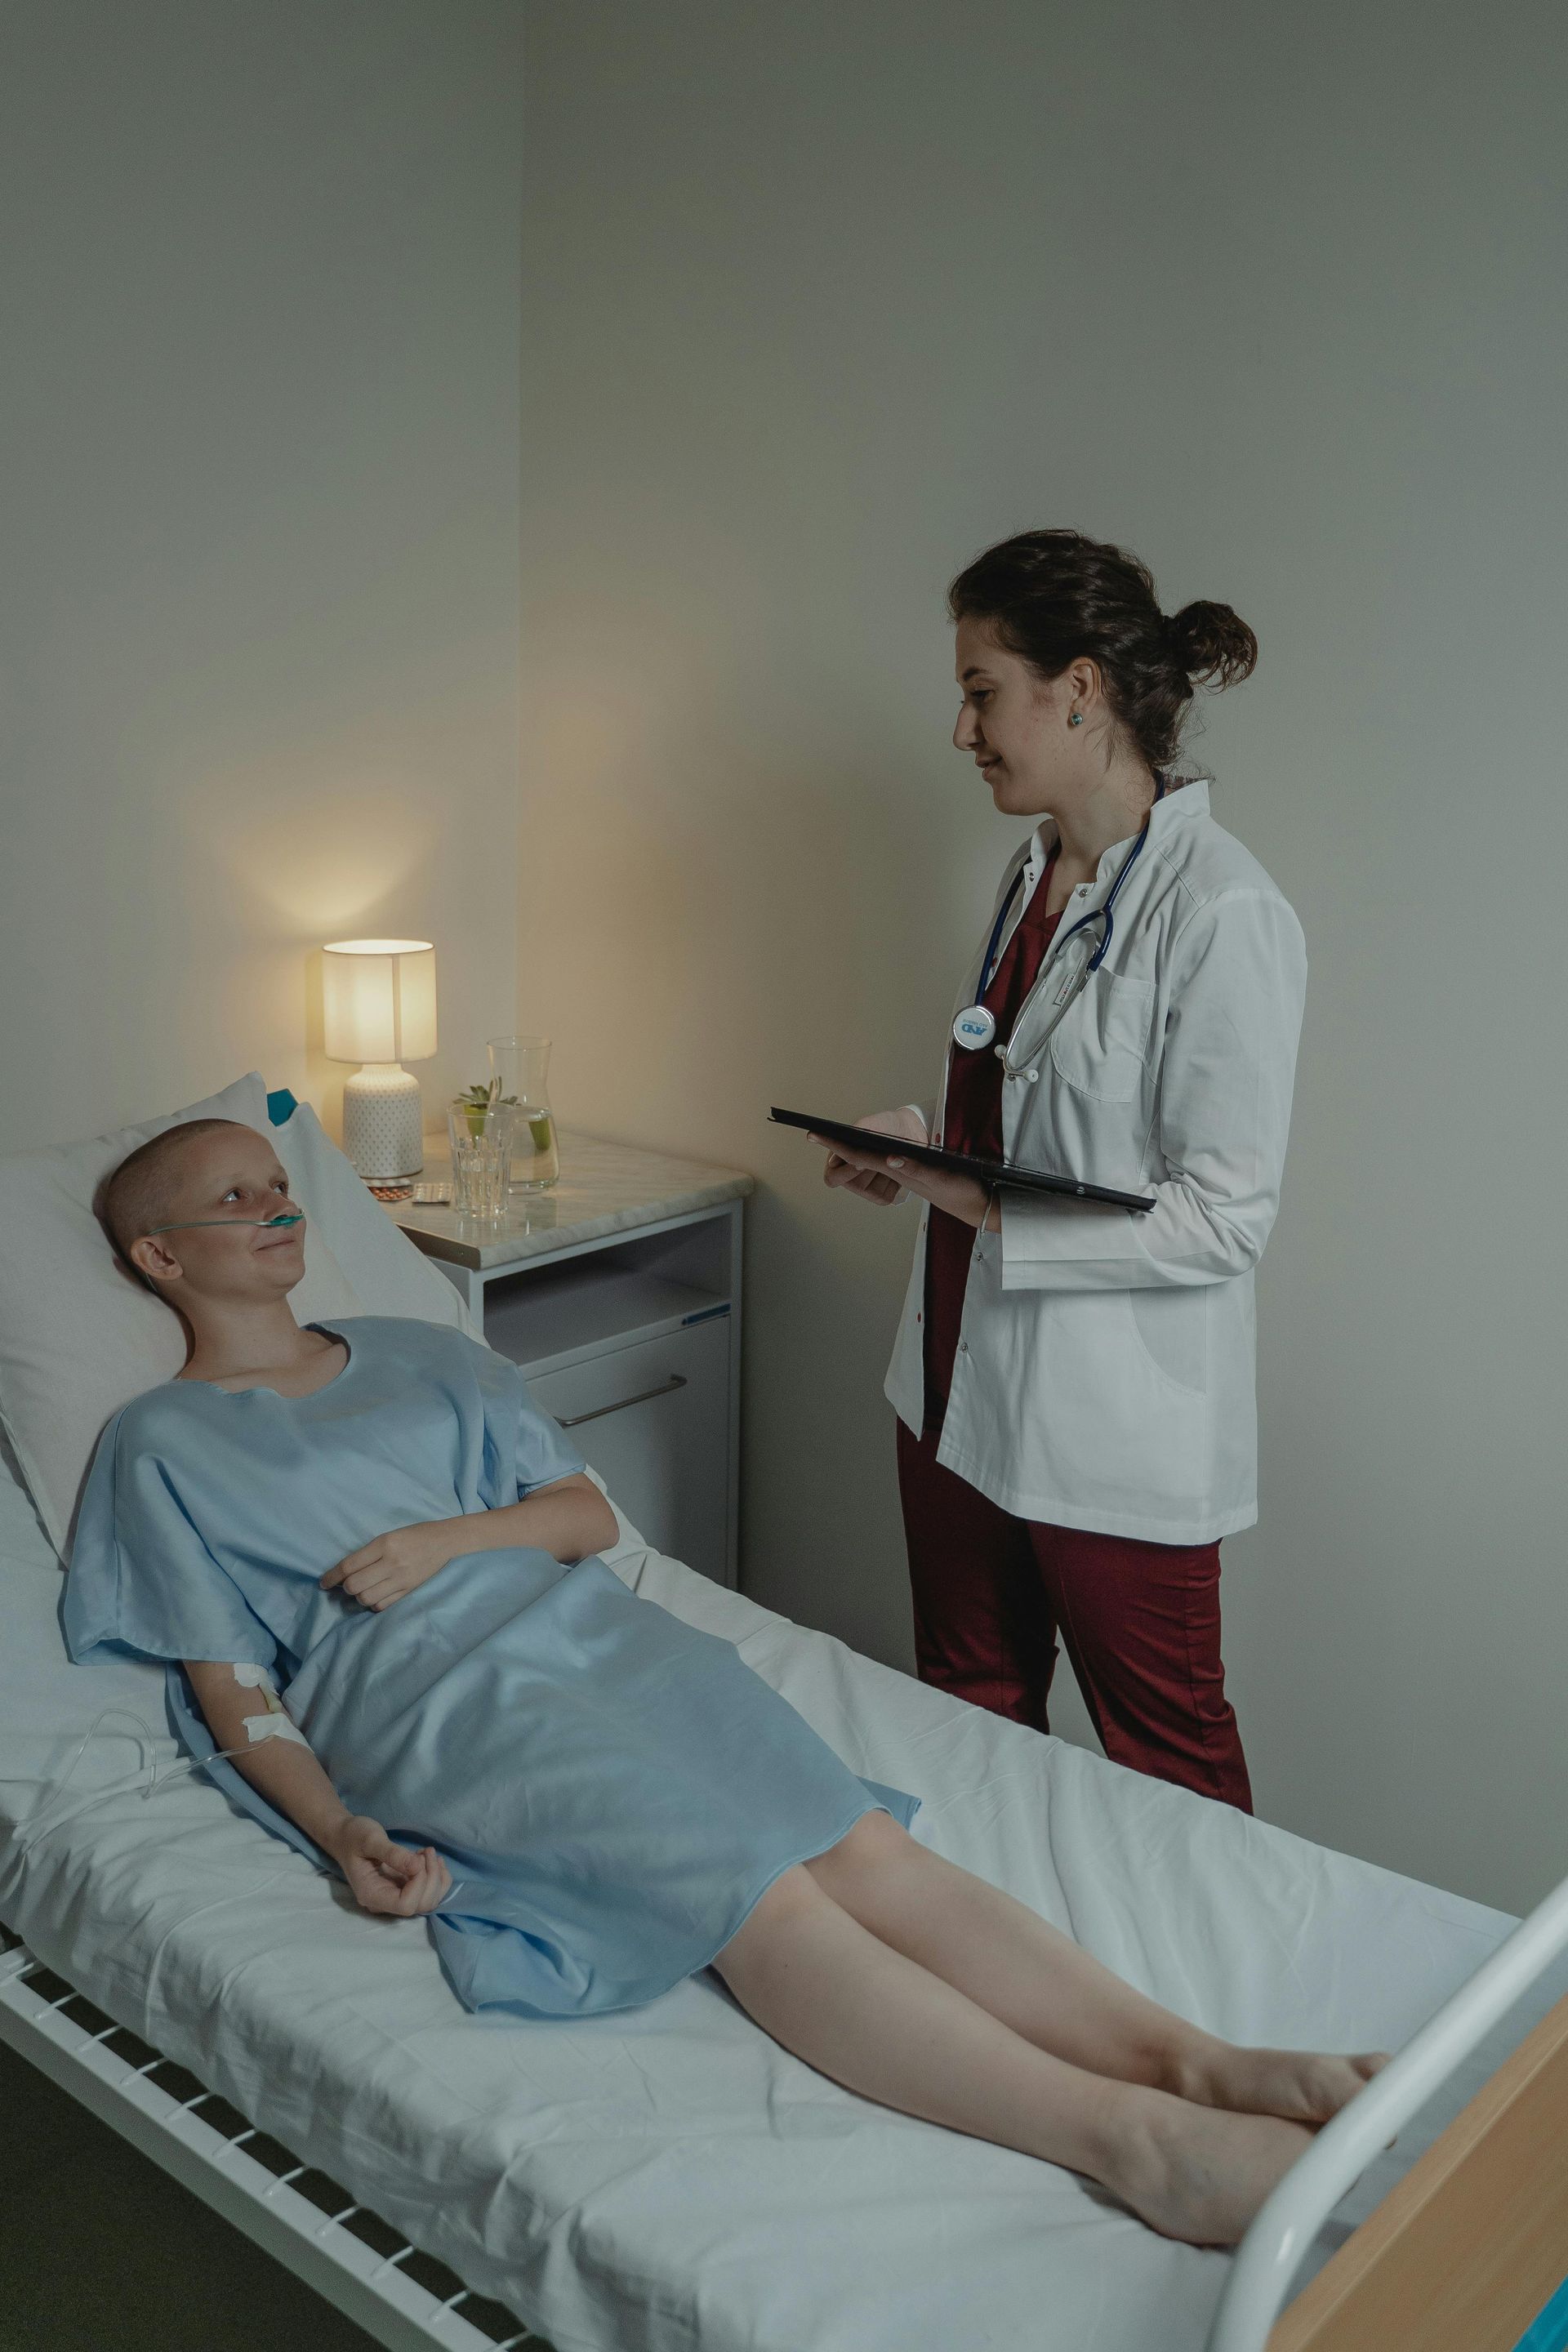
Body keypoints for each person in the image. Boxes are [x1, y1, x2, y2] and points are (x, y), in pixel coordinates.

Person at [64, 1117, 1379, 2247]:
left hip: (590, 1633)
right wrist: (340, 1826)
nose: (274, 1204)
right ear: (160, 1258)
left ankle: (1202, 2061)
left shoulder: (424, 1352)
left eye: (274, 1180)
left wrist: (447, 1542)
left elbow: (582, 1515)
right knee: (758, 1896)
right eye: (229, 1197)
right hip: (424, 1701)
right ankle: (1134, 2142)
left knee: (861, 1847)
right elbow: (233, 1686)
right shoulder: (159, 1442)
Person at [819, 530, 1307, 1811]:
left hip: (1111, 1422)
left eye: (983, 689)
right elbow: (1036, 1109)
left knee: (1168, 1762)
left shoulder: (1222, 910)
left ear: (1078, 688)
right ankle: (1015, 1985)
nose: (962, 726)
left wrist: (981, 1205)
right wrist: (922, 1143)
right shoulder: (1033, 871)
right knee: (969, 1715)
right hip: (953, 1379)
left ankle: (1213, 2007)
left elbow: (1224, 1220)